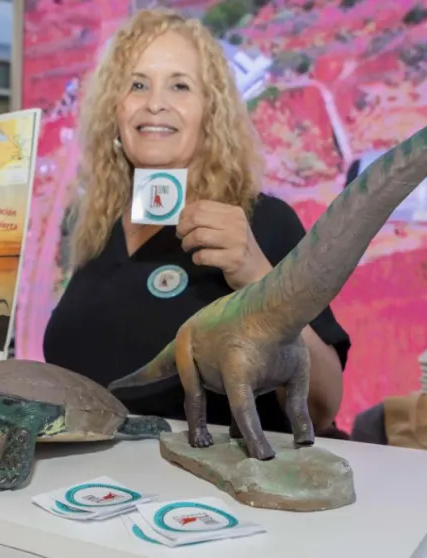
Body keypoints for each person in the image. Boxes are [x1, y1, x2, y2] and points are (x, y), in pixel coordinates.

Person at [42, 9, 350, 435]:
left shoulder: (262, 224)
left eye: (180, 86)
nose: (155, 103)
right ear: (115, 111)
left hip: (212, 475)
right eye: (137, 84)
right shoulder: (97, 230)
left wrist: (258, 278)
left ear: (210, 113)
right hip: (95, 472)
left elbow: (321, 408)